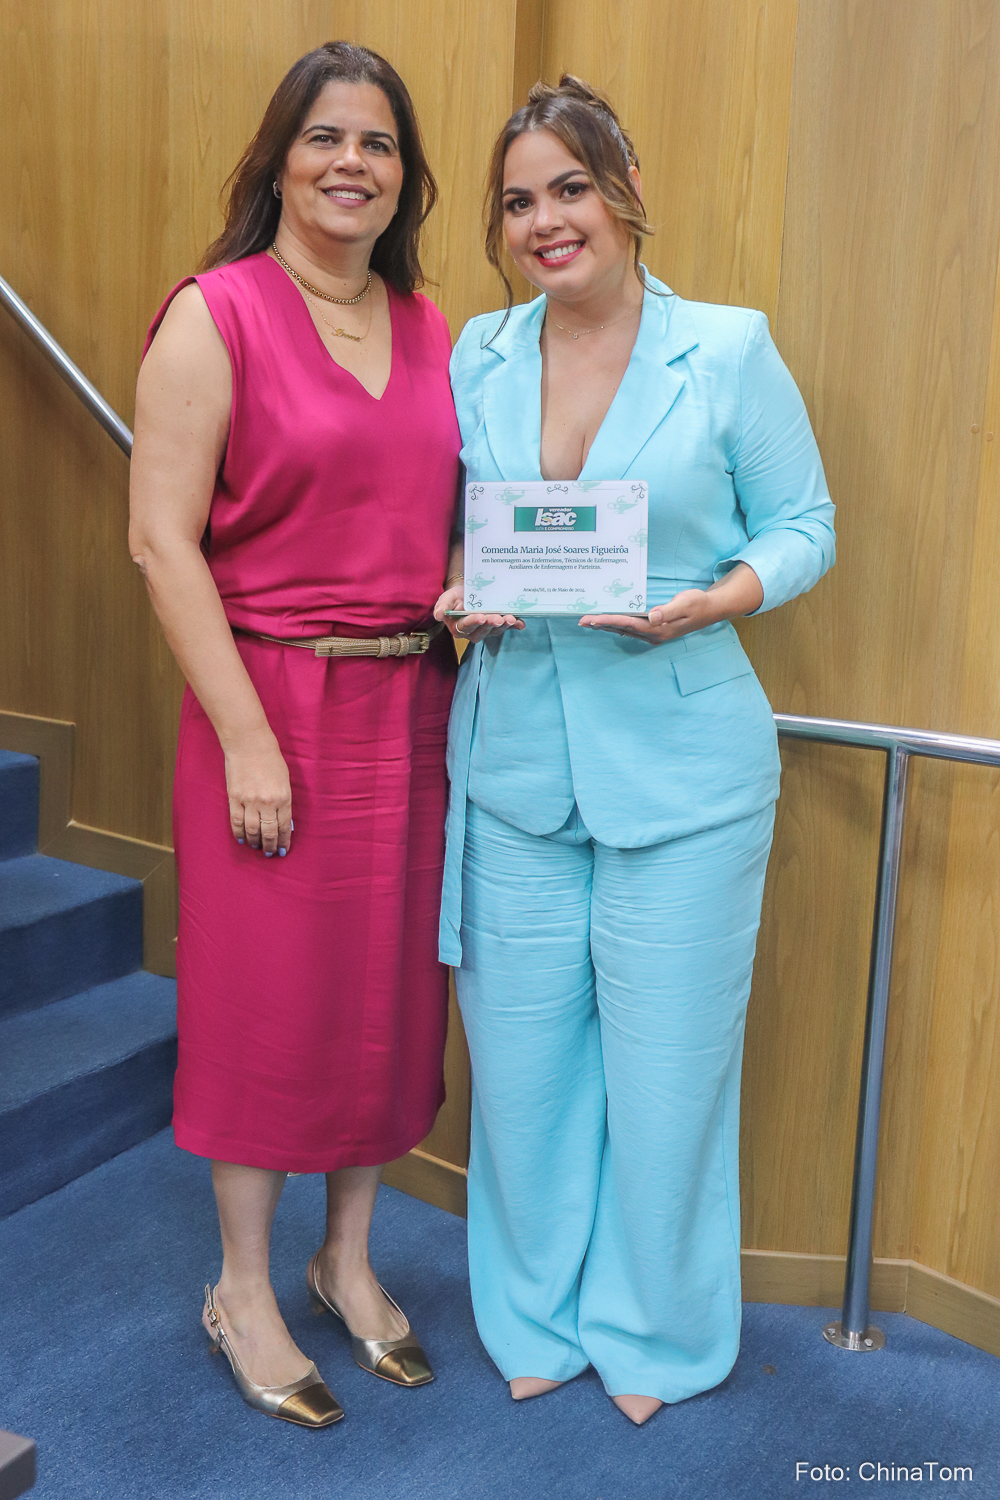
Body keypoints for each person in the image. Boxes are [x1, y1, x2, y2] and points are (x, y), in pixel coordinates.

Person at [433, 77, 836, 1426]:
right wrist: (458, 592)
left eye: (569, 187)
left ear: (624, 189)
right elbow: (465, 529)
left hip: (687, 777)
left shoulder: (726, 349)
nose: (546, 220)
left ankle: (654, 1335)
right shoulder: (479, 352)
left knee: (668, 1085)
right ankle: (533, 1317)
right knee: (524, 1080)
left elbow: (805, 525)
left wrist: (716, 600)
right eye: (518, 201)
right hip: (513, 771)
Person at [129, 42, 462, 1427]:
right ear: (277, 159)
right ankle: (244, 1287)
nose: (351, 164)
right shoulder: (216, 315)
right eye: (325, 137)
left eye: (378, 142)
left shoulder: (434, 326)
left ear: (406, 175)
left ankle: (347, 1257)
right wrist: (248, 738)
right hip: (268, 704)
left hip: (416, 705)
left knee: (387, 1001)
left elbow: (448, 515)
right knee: (265, 1008)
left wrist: (469, 581)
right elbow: (162, 540)